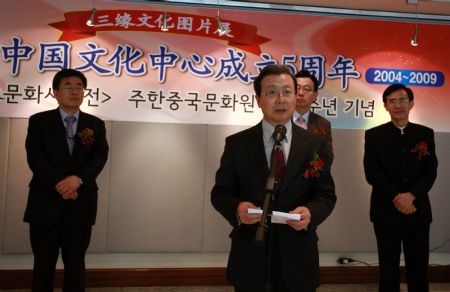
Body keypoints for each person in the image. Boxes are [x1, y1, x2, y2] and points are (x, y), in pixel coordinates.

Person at [211, 64, 336, 292]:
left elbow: (326, 195)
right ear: (258, 99)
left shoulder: (314, 145)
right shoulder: (237, 144)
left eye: (287, 91)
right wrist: (237, 209)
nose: (281, 99)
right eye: (271, 92)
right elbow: (220, 194)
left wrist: (310, 213)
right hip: (251, 251)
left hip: (298, 251)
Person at [24, 69, 109, 292]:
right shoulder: (39, 121)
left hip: (81, 203)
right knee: (43, 265)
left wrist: (78, 180)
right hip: (45, 202)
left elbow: (100, 157)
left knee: (75, 265)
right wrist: (63, 184)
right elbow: (36, 157)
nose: (75, 91)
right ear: (55, 92)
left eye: (79, 86)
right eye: (68, 86)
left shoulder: (95, 124)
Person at [363, 83, 438, 292]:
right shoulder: (373, 135)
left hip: (418, 211)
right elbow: (372, 173)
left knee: (419, 268)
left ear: (411, 103)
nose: (398, 105)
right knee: (388, 268)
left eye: (402, 100)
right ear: (385, 106)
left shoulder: (426, 134)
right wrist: (397, 197)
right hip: (385, 212)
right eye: (392, 101)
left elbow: (430, 171)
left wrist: (412, 195)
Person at [292, 70, 333, 164]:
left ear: (315, 96)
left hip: (312, 176)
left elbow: (327, 157)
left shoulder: (323, 124)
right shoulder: (280, 119)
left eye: (306, 89)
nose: (301, 93)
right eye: (297, 88)